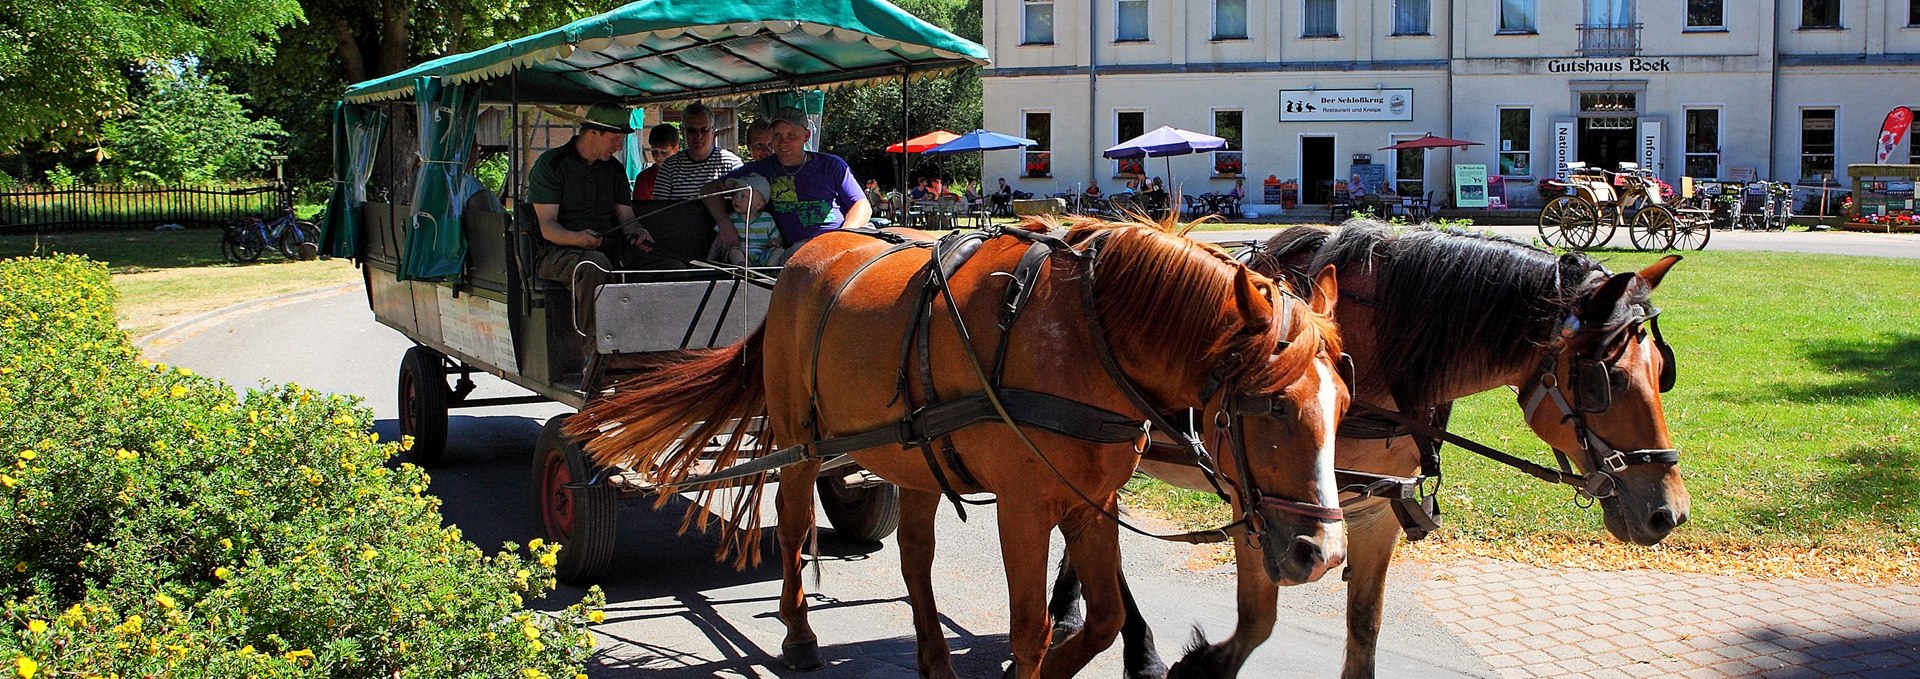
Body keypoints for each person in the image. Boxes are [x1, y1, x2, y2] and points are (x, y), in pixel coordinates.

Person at [527, 103, 645, 344]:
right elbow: (547, 226)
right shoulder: (552, 165)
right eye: (614, 139)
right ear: (593, 133)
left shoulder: (614, 169)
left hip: (607, 248)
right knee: (594, 265)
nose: (619, 146)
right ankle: (596, 350)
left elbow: (627, 219)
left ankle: (656, 347)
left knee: (667, 265)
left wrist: (638, 233)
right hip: (557, 252)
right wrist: (578, 238)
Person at [702, 107, 870, 254]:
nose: (783, 142)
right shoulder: (761, 169)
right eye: (777, 135)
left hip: (841, 242)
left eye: (791, 135)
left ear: (806, 136)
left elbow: (861, 204)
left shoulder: (831, 165)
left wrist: (844, 236)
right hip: (798, 251)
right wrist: (725, 225)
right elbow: (709, 189)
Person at [655, 102, 742, 199]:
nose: (698, 136)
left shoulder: (731, 163)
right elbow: (659, 207)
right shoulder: (669, 167)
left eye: (704, 130)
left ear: (713, 132)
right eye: (692, 130)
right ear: (684, 132)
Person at [630, 123, 680, 201]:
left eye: (663, 152)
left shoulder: (686, 175)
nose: (658, 156)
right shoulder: (644, 178)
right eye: (654, 151)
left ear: (676, 149)